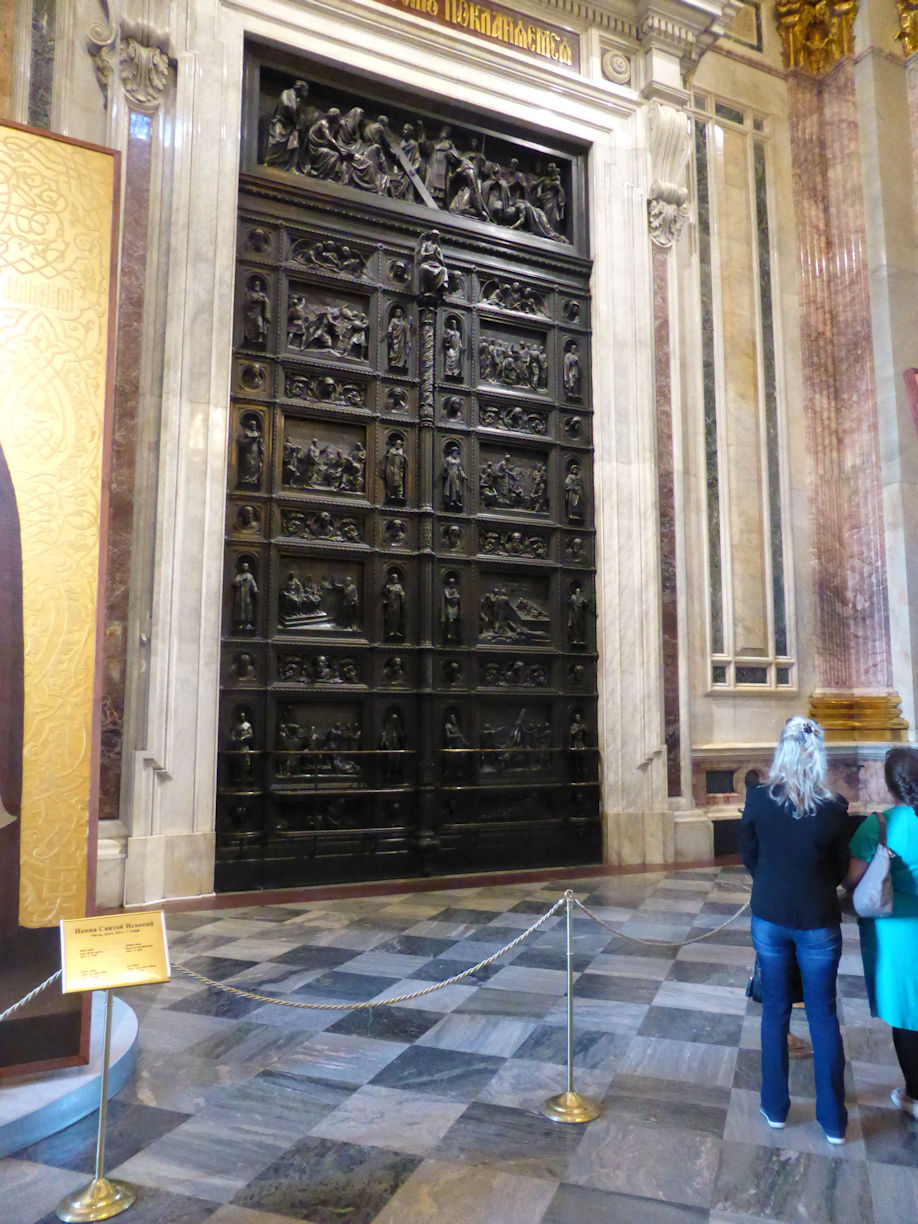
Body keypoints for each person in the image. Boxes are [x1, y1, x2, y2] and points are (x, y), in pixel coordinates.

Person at [740, 716, 851, 1144]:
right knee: (823, 1014)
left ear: (781, 751)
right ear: (818, 756)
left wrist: (770, 881)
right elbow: (840, 869)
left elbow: (748, 851)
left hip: (769, 915)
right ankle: (832, 1121)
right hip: (818, 920)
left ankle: (774, 1107)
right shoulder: (834, 807)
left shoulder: (760, 800)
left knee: (775, 1011)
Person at [846, 746, 918, 1119]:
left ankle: (915, 1095)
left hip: (899, 931)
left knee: (908, 1014)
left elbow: (855, 880)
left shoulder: (879, 825)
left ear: (889, 784)